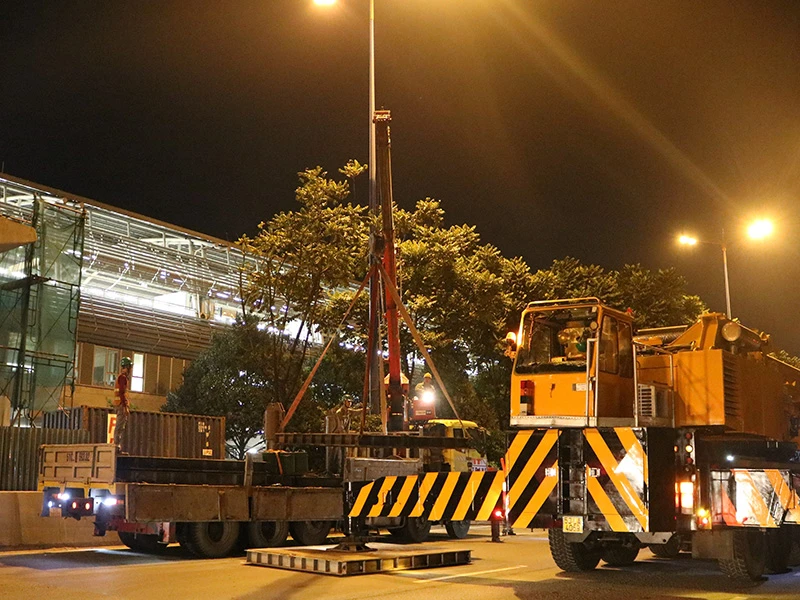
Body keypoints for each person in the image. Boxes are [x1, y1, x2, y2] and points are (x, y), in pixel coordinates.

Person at [114, 357, 133, 453]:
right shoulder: (123, 378)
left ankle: (117, 446)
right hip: (122, 405)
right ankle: (116, 447)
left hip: (120, 405)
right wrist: (125, 407)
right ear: (128, 367)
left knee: (120, 426)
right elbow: (122, 392)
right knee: (120, 426)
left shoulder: (121, 377)